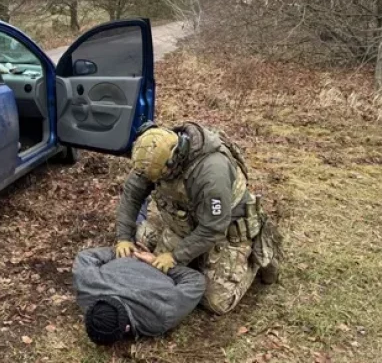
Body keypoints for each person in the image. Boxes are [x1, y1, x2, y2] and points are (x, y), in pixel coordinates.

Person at [114, 121, 282, 315]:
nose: (153, 182)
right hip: (183, 224)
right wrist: (123, 237)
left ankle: (257, 257)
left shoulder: (212, 173)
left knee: (216, 302)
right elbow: (132, 195)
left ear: (173, 161)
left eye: (158, 177)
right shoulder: (151, 154)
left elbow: (214, 228)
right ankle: (195, 257)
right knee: (154, 271)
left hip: (224, 231)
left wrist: (176, 256)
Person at [72, 246, 206, 345]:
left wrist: (125, 252)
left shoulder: (160, 316)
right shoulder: (86, 288)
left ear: (126, 328)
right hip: (152, 252)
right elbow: (84, 257)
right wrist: (153, 262)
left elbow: (196, 281)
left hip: (153, 247)